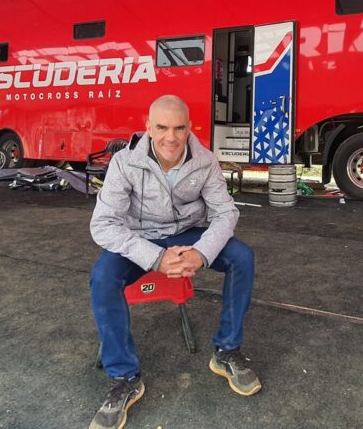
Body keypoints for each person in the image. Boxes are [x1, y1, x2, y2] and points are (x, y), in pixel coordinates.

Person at [88, 94, 260, 429]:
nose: (171, 137)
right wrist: (155, 257)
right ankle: (125, 378)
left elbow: (226, 213)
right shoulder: (125, 163)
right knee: (102, 277)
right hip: (143, 240)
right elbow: (103, 224)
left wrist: (201, 252)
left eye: (179, 128)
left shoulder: (205, 161)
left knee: (242, 256)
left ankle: (226, 352)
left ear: (189, 128)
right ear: (148, 127)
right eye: (162, 127)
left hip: (189, 236)